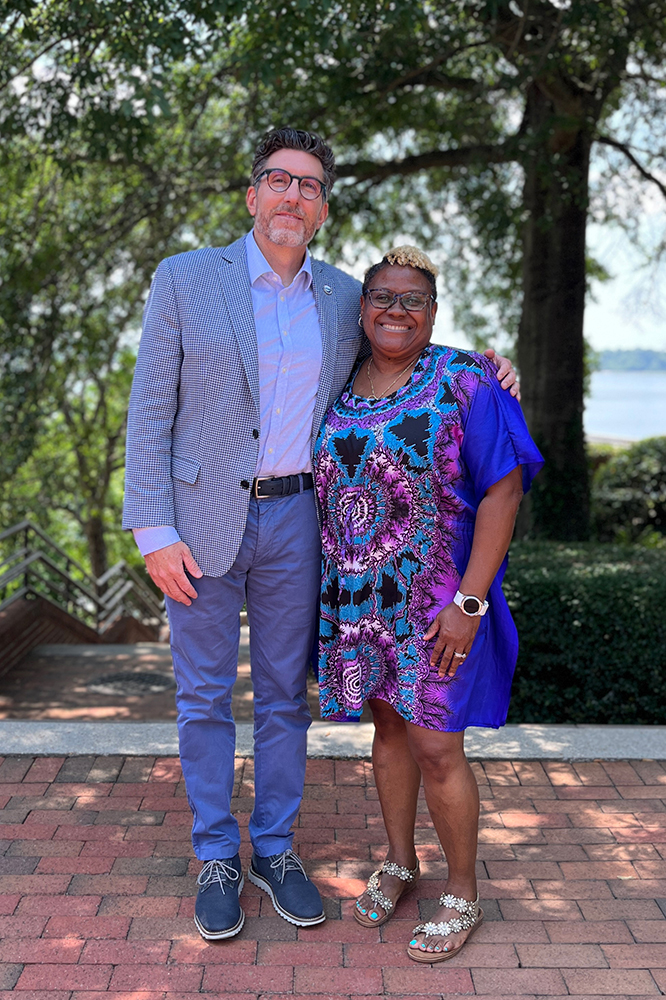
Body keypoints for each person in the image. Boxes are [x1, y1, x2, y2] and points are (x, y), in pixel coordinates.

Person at [123, 128, 519, 942]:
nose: (291, 197)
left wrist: (489, 367)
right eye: (278, 180)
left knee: (282, 699)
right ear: (252, 195)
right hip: (195, 528)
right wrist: (152, 527)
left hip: (300, 523)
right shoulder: (185, 279)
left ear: (323, 210)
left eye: (308, 187)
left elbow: (406, 349)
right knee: (202, 697)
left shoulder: (343, 295)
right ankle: (215, 856)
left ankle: (273, 849)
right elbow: (149, 411)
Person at [314, 245, 543, 962]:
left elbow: (503, 487)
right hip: (360, 599)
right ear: (362, 306)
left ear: (434, 312)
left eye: (414, 299)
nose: (396, 310)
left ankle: (462, 891)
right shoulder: (340, 387)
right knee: (387, 731)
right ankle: (399, 861)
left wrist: (470, 603)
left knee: (439, 745)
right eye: (383, 295)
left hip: (440, 600)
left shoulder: (464, 379)